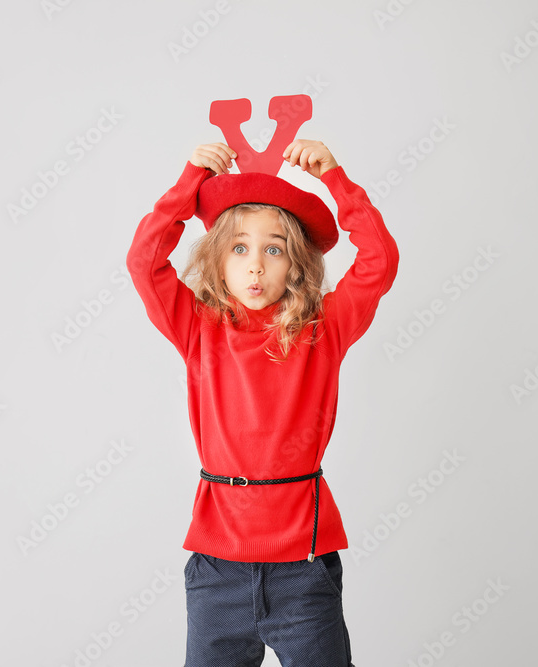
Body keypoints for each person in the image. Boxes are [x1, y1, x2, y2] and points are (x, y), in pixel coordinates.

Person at [126, 137, 399, 666]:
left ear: (295, 265)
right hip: (217, 568)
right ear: (218, 261)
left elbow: (379, 261)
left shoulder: (325, 331)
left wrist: (335, 178)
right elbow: (144, 261)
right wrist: (189, 184)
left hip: (304, 564)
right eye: (239, 248)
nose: (255, 267)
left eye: (273, 249)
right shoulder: (197, 328)